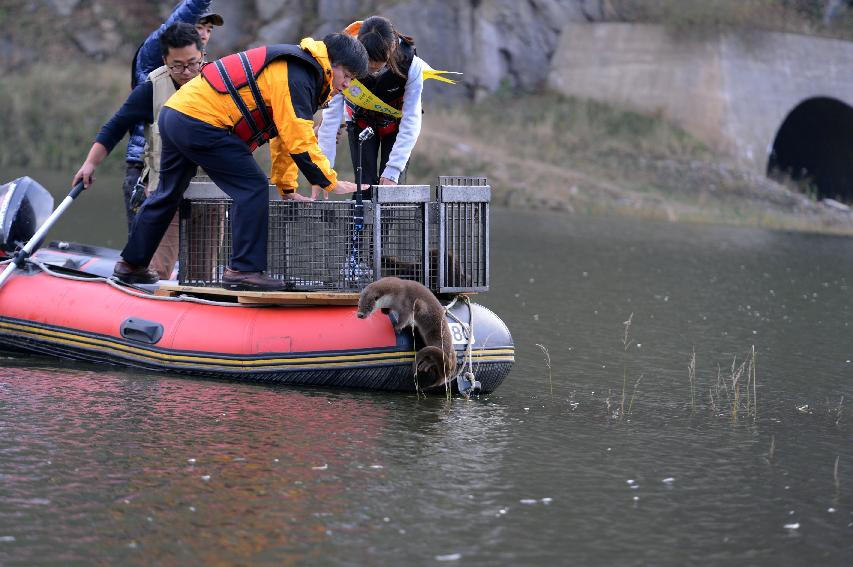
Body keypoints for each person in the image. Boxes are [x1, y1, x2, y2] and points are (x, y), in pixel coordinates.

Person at [109, 33, 369, 291]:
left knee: (168, 193)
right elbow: (300, 140)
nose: (346, 84)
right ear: (331, 62)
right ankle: (244, 270)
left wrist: (287, 188)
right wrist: (329, 182)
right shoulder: (299, 74)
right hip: (202, 122)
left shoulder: (299, 71)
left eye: (351, 80)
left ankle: (131, 264)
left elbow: (284, 137)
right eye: (346, 75)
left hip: (175, 115)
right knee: (252, 187)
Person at [73, 22, 205, 240]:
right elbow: (116, 126)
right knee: (156, 264)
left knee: (204, 269)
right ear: (165, 61)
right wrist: (90, 163)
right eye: (177, 65)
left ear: (202, 54)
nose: (187, 72)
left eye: (193, 63)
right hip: (164, 189)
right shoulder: (151, 88)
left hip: (209, 190)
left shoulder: (219, 81)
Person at [315, 16, 459, 199]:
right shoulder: (345, 57)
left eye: (376, 66)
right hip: (360, 121)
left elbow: (412, 119)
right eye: (367, 66)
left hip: (395, 126)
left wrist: (393, 170)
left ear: (391, 50)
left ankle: (385, 224)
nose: (371, 70)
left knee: (391, 191)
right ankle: (361, 227)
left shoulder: (412, 66)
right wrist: (323, 172)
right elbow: (331, 117)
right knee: (364, 187)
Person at [122, 1, 223, 233]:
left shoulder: (202, 69)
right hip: (144, 169)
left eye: (209, 29)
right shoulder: (154, 53)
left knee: (189, 255)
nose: (205, 34)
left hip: (185, 170)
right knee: (145, 250)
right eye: (199, 27)